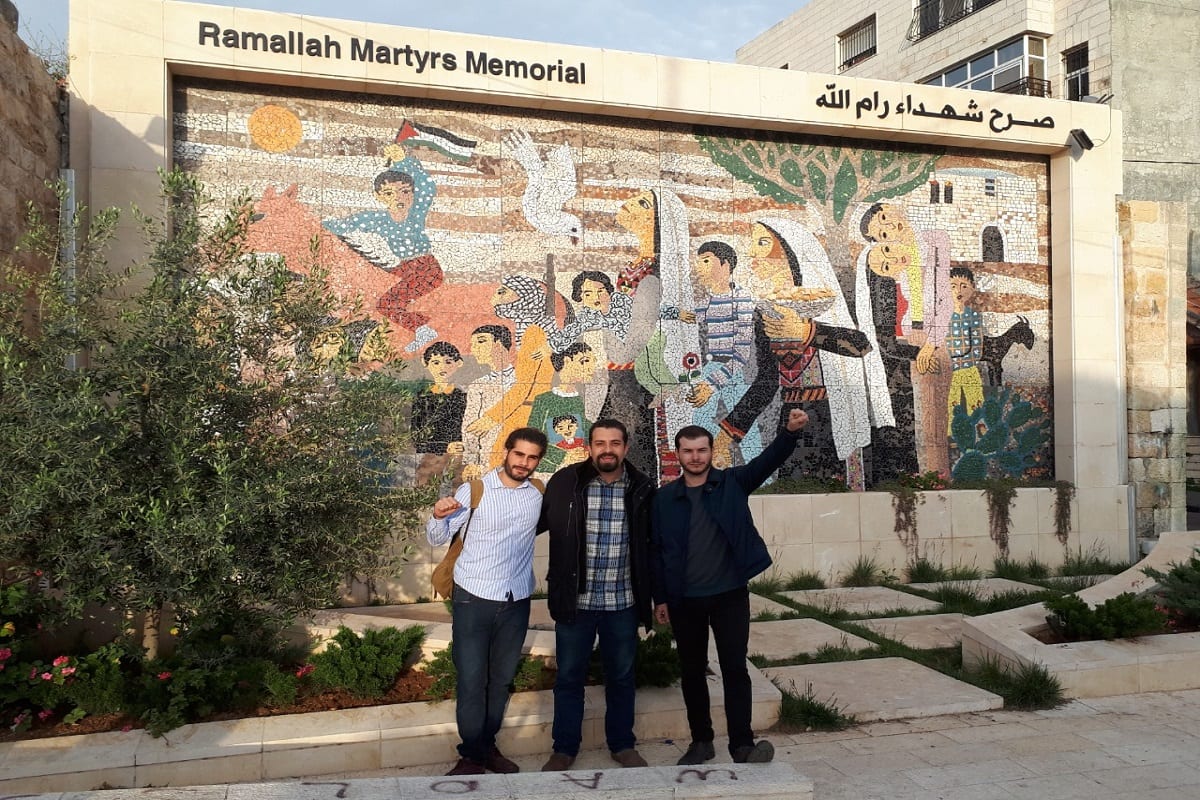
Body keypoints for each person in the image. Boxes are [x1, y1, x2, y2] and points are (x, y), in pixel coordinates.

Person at [651, 408, 810, 766]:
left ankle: (742, 744)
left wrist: (789, 431)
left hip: (729, 596)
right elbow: (657, 552)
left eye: (702, 450)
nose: (695, 457)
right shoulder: (663, 500)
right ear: (678, 454)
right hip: (684, 601)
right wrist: (660, 597)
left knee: (734, 668)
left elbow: (768, 460)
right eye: (688, 451)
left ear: (712, 452)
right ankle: (701, 742)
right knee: (692, 672)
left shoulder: (733, 483)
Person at [425, 426, 549, 776]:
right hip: (473, 597)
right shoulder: (475, 490)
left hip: (517, 598)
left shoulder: (537, 492)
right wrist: (437, 515)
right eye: (518, 454)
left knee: (501, 679)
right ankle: (471, 754)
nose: (523, 463)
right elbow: (439, 537)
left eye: (532, 458)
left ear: (538, 461)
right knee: (472, 678)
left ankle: (487, 746)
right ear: (506, 452)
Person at [538, 418, 657, 771]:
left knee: (621, 677)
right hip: (576, 602)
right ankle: (564, 748)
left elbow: (655, 545)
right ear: (589, 447)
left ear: (625, 447)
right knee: (569, 677)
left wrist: (659, 598)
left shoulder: (641, 487)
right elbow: (530, 521)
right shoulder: (565, 482)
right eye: (600, 443)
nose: (608, 449)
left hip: (622, 602)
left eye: (615, 443)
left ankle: (622, 744)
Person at [322, 143, 443, 350]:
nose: (398, 198)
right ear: (379, 196)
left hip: (425, 268)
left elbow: (427, 186)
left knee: (386, 304)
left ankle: (421, 328)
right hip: (402, 268)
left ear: (413, 194)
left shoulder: (415, 214)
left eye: (404, 192)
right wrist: (319, 225)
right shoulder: (377, 219)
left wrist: (402, 160)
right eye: (389, 193)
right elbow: (347, 224)